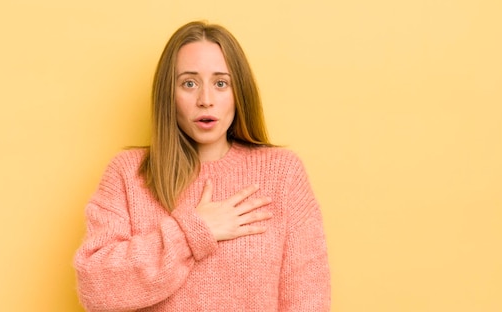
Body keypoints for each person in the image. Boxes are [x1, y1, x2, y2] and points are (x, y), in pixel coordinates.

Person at [74, 21, 330, 311]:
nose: (205, 100)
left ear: (239, 92)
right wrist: (194, 231)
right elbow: (95, 288)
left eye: (221, 83)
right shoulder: (128, 174)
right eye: (189, 83)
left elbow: (308, 300)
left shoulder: (282, 174)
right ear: (168, 94)